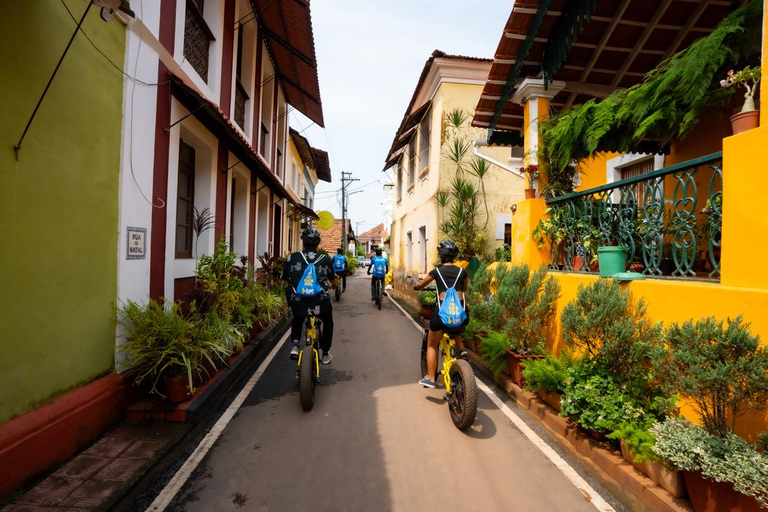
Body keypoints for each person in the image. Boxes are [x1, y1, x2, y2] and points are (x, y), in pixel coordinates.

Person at [413, 240, 468, 388]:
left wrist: (417, 286)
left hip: (442, 313)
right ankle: (461, 349)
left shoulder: (437, 272)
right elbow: (465, 288)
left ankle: (431, 378)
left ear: (441, 256)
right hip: (460, 314)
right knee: (456, 324)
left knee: (432, 345)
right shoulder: (463, 272)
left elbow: (421, 284)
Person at [282, 228, 337, 365]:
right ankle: (325, 353)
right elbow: (333, 278)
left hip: (298, 301)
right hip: (320, 302)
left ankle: (295, 345)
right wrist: (333, 285)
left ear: (303, 242)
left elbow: (284, 277)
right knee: (328, 322)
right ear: (318, 244)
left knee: (298, 318)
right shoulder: (325, 259)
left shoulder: (292, 257)